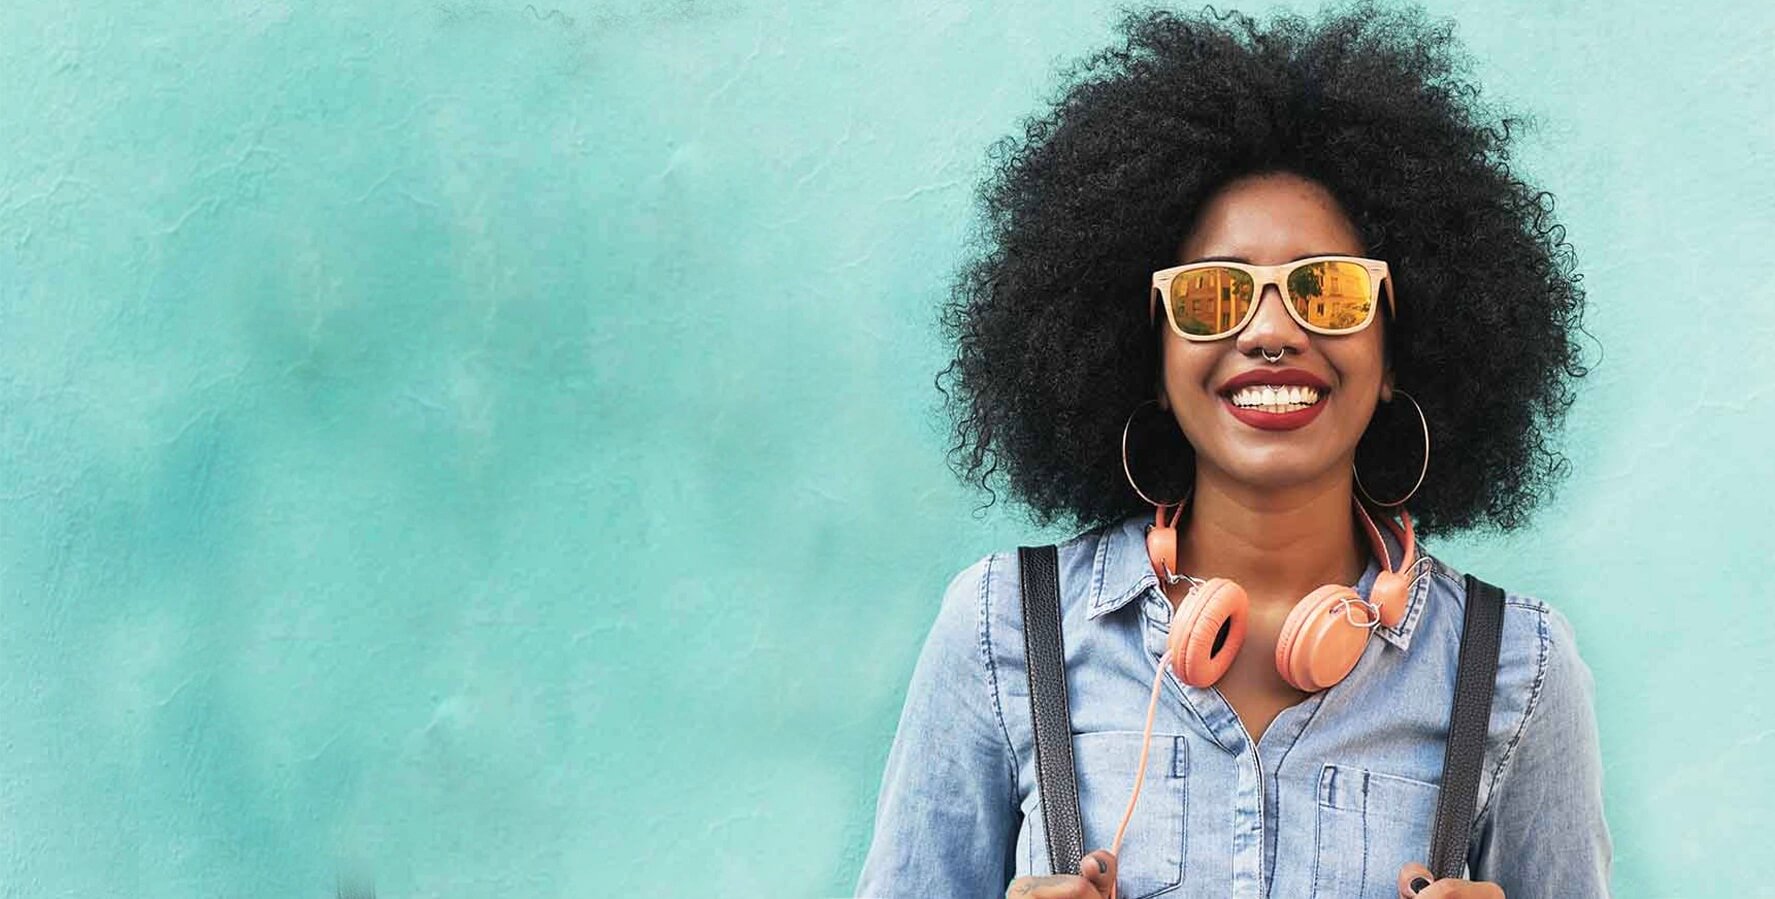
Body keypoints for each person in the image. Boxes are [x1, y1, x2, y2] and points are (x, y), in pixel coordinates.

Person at [853, 3, 1611, 897]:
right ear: (1151, 350)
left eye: (1325, 291)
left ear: (1396, 350)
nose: (1271, 332)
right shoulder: (1001, 630)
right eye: (1214, 296)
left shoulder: (1516, 666)